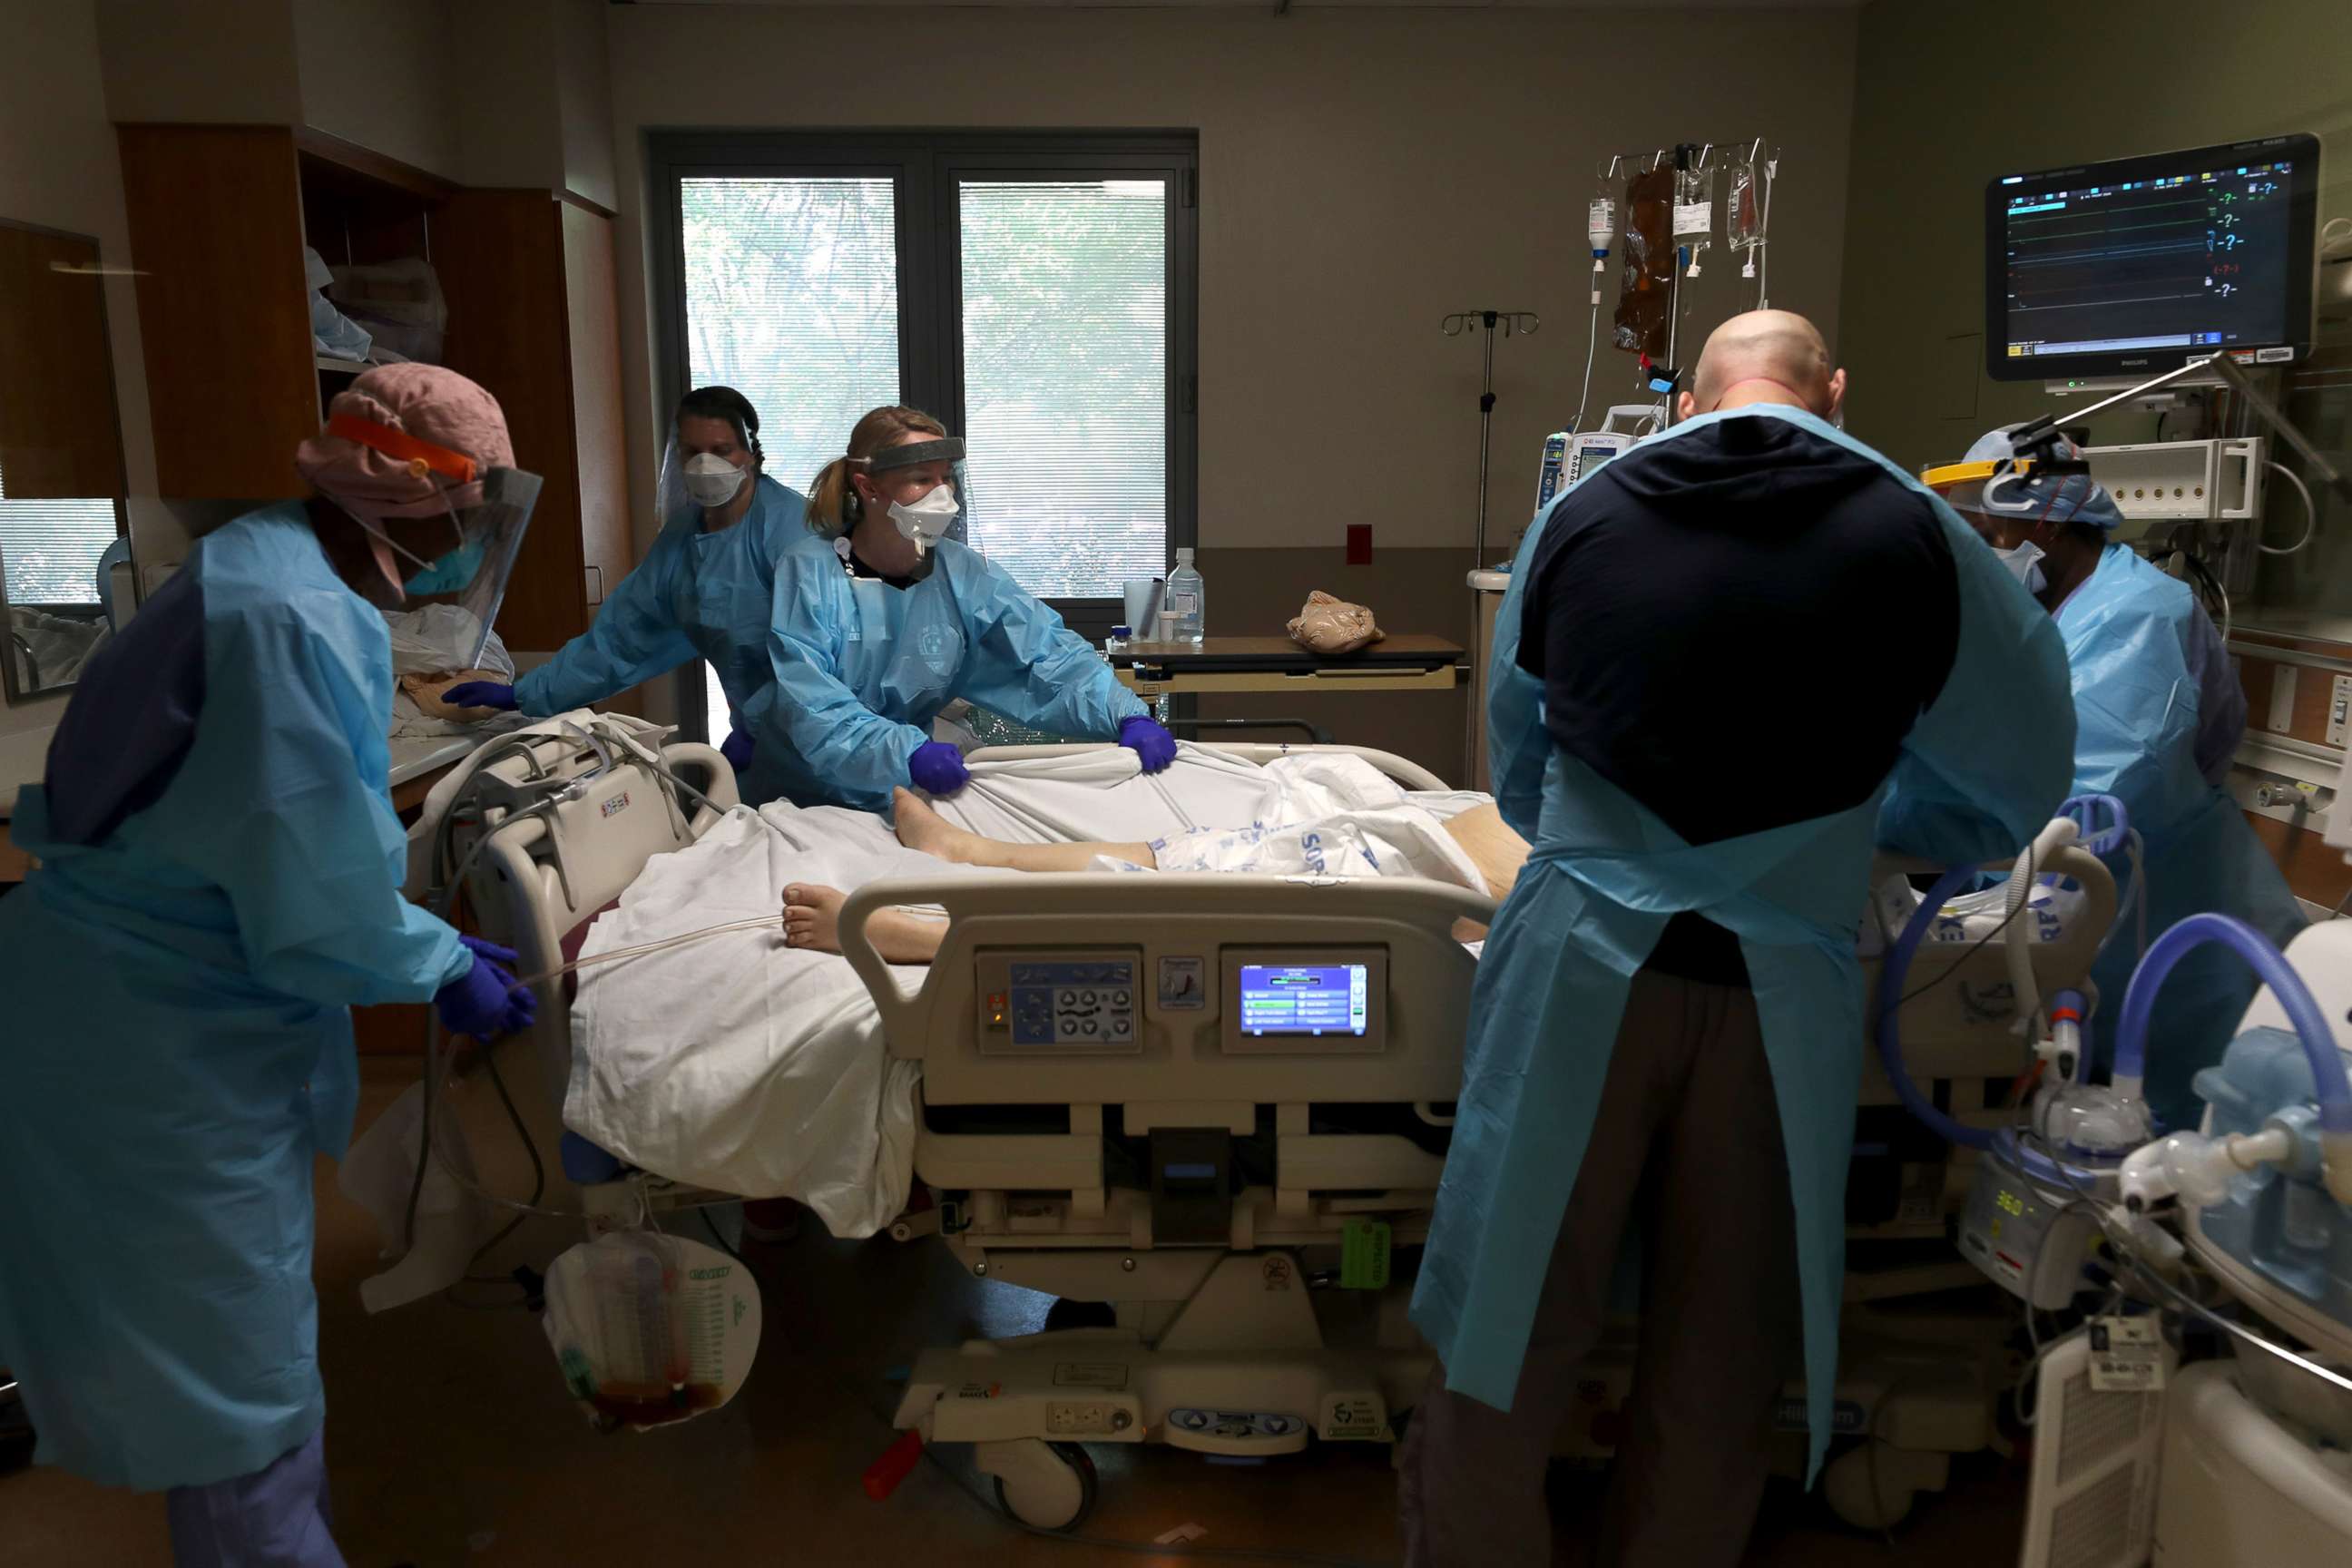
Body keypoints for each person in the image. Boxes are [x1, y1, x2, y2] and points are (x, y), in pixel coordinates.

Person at [1400, 311, 2078, 1566]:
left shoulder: (1582, 517)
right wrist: (1850, 828)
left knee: (1512, 1306)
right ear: (1834, 387)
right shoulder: (1923, 534)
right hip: (1775, 995)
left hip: (1582, 975)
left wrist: (1634, 847)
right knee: (1725, 1330)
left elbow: (1521, 765)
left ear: (1686, 402)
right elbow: (2015, 777)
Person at [0, 365, 540, 1568]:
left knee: (233, 1356)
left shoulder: (266, 564)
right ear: (408, 501)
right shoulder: (292, 618)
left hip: (158, 1001)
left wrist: (432, 945)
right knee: (235, 1381)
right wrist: (443, 958)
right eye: (468, 508)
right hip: (143, 1043)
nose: (470, 537)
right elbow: (319, 885)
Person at [1934, 425, 2305, 1125]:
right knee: (2082, 1100)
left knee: (2191, 1132)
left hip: (2172, 921)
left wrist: (1932, 824)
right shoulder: (2044, 603)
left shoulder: (2138, 615)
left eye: (1987, 531)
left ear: (2044, 519)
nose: (1982, 549)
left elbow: (2090, 797)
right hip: (2093, 920)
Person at [756, 405, 1177, 809]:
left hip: (907, 792)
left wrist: (1124, 714)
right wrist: (905, 754)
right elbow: (811, 700)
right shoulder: (810, 571)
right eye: (922, 479)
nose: (943, 496)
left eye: (946, 478)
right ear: (868, 487)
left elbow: (1048, 654)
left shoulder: (963, 574)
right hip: (807, 794)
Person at [444, 386, 812, 803]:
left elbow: (816, 659)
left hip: (818, 739)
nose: (706, 464)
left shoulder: (791, 532)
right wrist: (525, 693)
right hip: (761, 744)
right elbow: (623, 638)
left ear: (751, 452)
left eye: (722, 450)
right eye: (693, 451)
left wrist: (761, 726)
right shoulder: (682, 541)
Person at [779, 785, 1527, 958]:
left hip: (1389, 896)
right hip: (1383, 852)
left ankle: (912, 935)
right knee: (1175, 854)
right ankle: (968, 852)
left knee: (1150, 915)